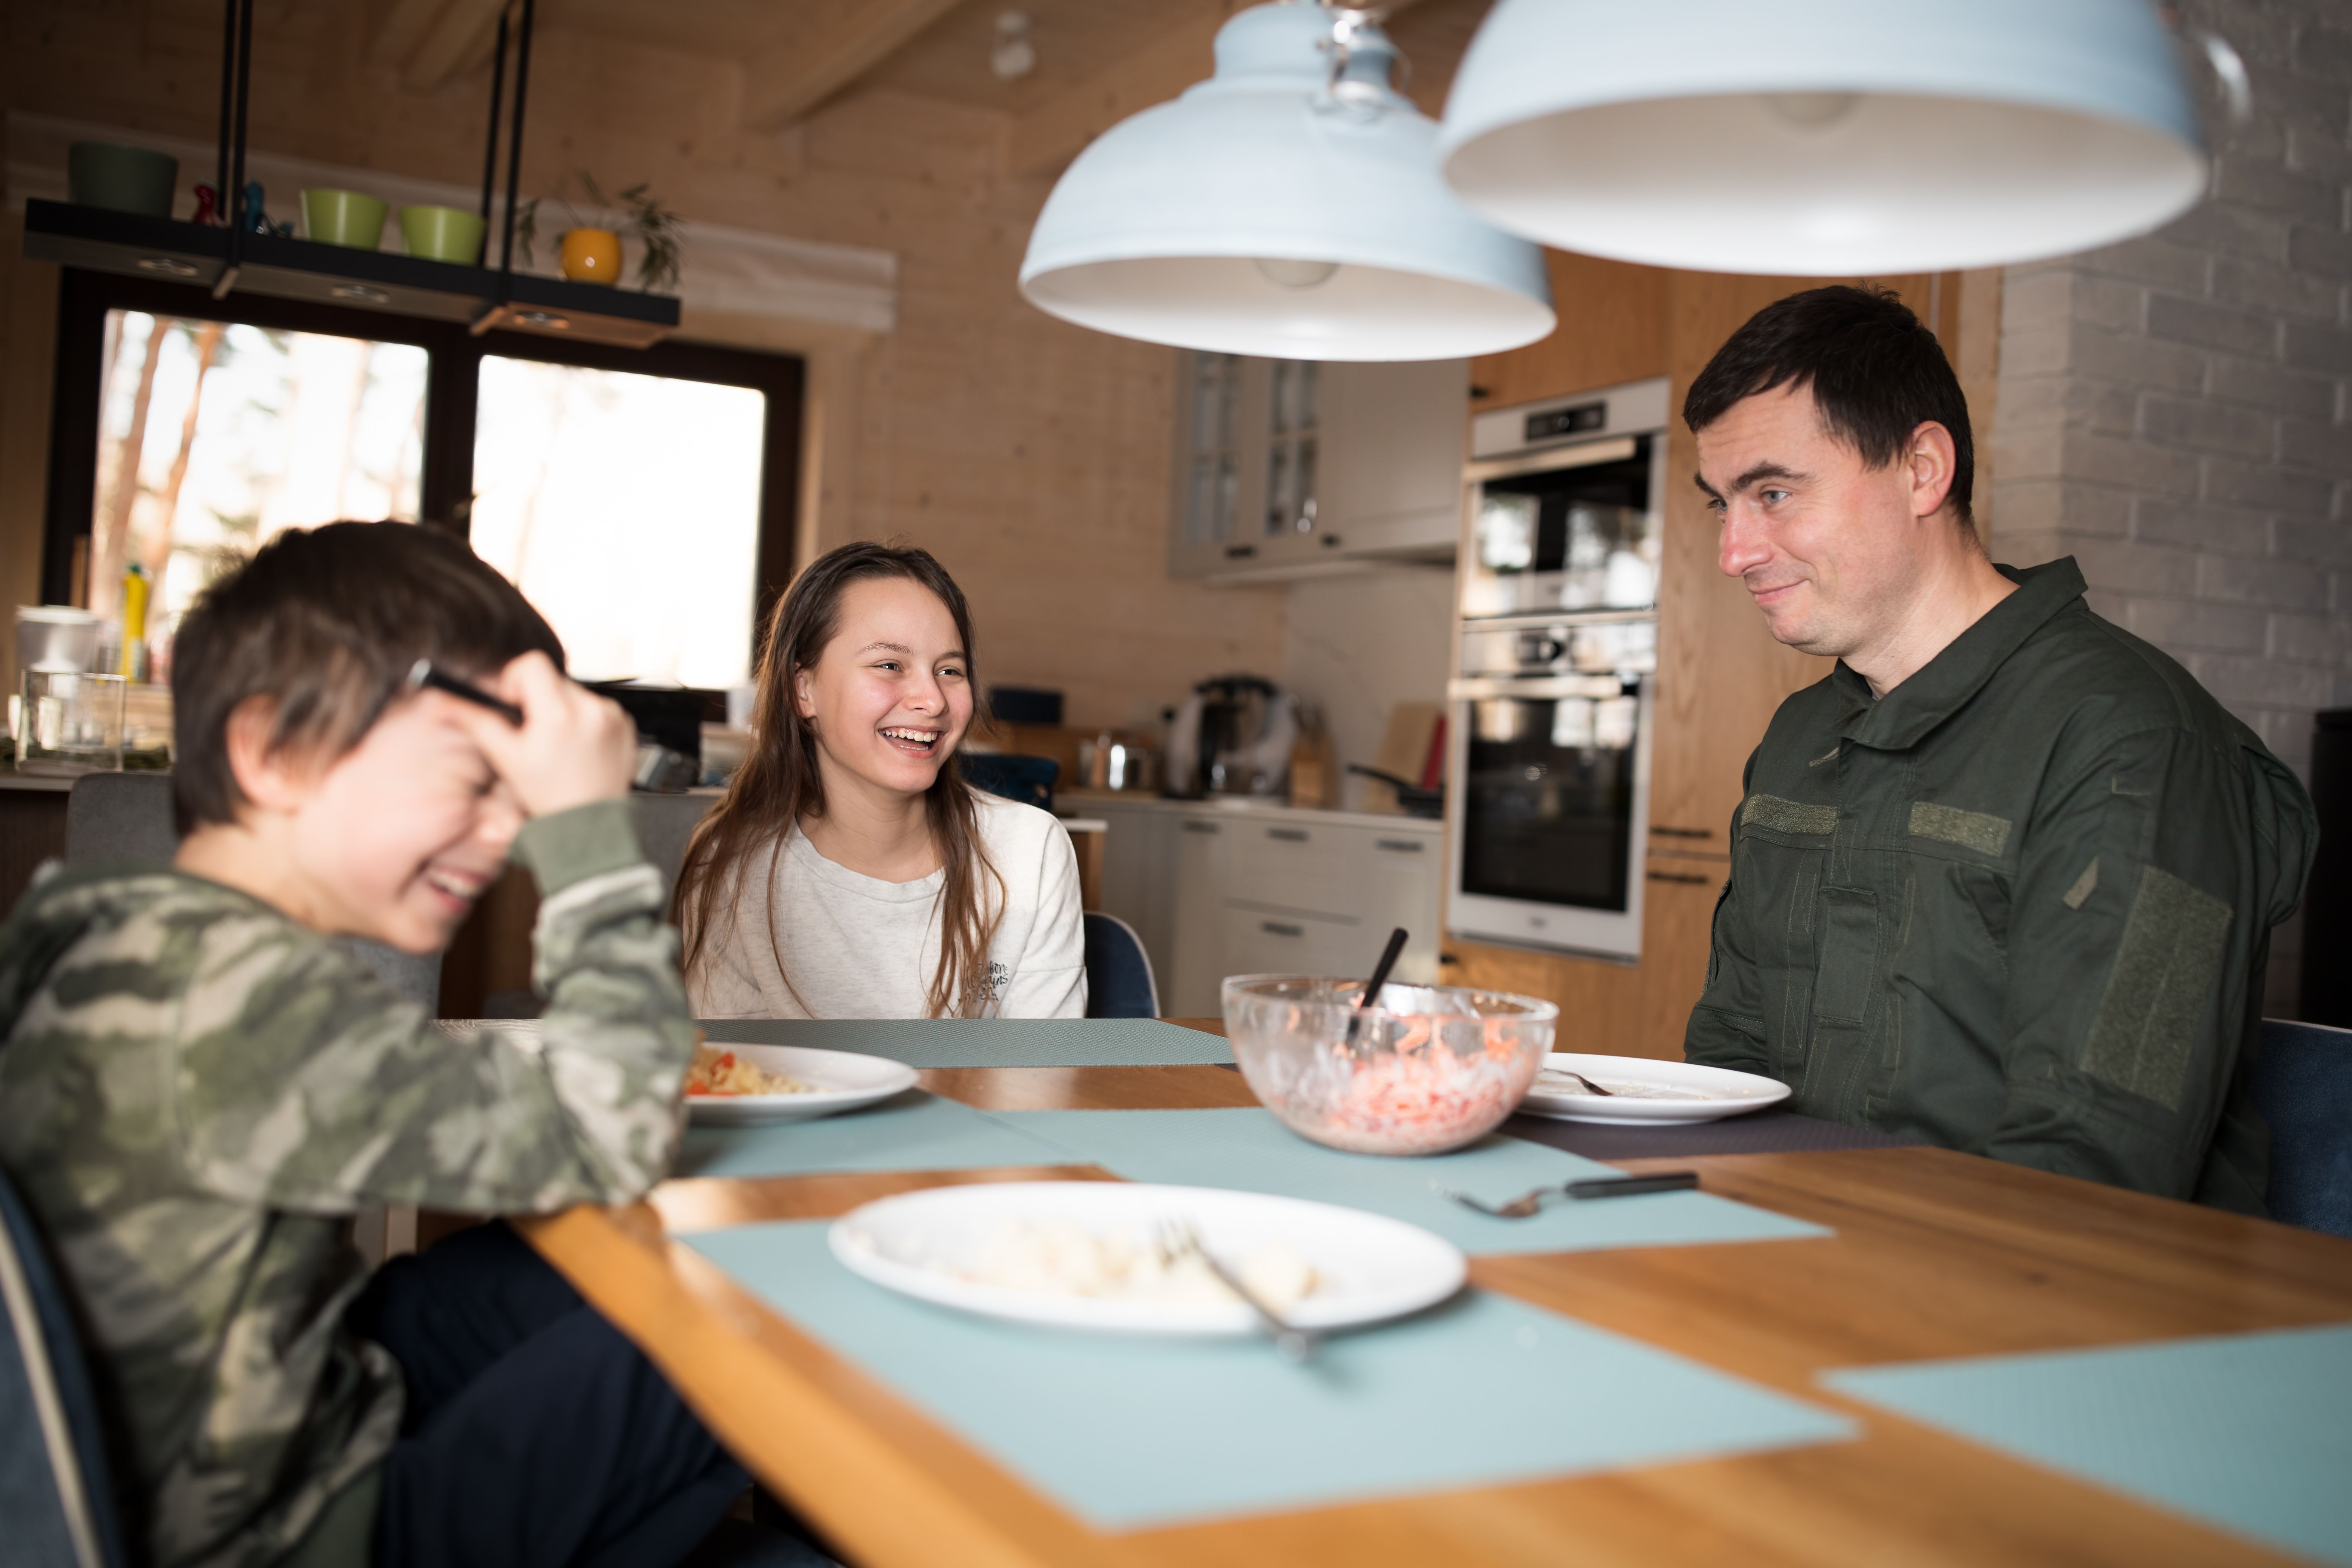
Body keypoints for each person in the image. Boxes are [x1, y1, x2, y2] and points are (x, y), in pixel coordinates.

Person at [0, 523, 763, 1567]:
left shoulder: (108, 930)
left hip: (257, 1406)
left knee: (514, 1275)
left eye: (522, 793)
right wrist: (585, 835)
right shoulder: (246, 1001)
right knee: (755, 1309)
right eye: (471, 778)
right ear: (271, 751)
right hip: (303, 1535)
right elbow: (616, 1129)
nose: (506, 836)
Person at [1681, 286, 2316, 1213]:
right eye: (1723, 506)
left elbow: (2099, 1159)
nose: (1736, 551)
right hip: (1803, 1263)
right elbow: (1729, 1068)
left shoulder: (2142, 747)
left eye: (1774, 493)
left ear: (1923, 469)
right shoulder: (1800, 737)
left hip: (2055, 1313)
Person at [677, 542, 1085, 1020]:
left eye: (950, 670)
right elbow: (739, 1079)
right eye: (890, 665)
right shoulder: (729, 863)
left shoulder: (1030, 850)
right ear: (803, 690)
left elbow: (1040, 1075)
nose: (932, 700)